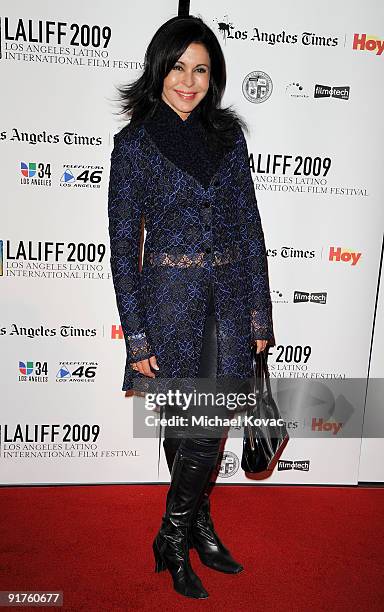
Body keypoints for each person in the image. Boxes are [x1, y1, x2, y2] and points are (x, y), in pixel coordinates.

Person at [107, 15, 275, 600]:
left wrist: (259, 316)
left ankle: (171, 536)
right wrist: (137, 337)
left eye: (201, 69)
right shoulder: (135, 145)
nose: (189, 80)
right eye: (178, 67)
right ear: (159, 70)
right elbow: (124, 245)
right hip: (167, 303)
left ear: (214, 77)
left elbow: (250, 230)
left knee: (205, 428)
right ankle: (197, 524)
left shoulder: (229, 140)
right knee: (185, 431)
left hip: (228, 301)